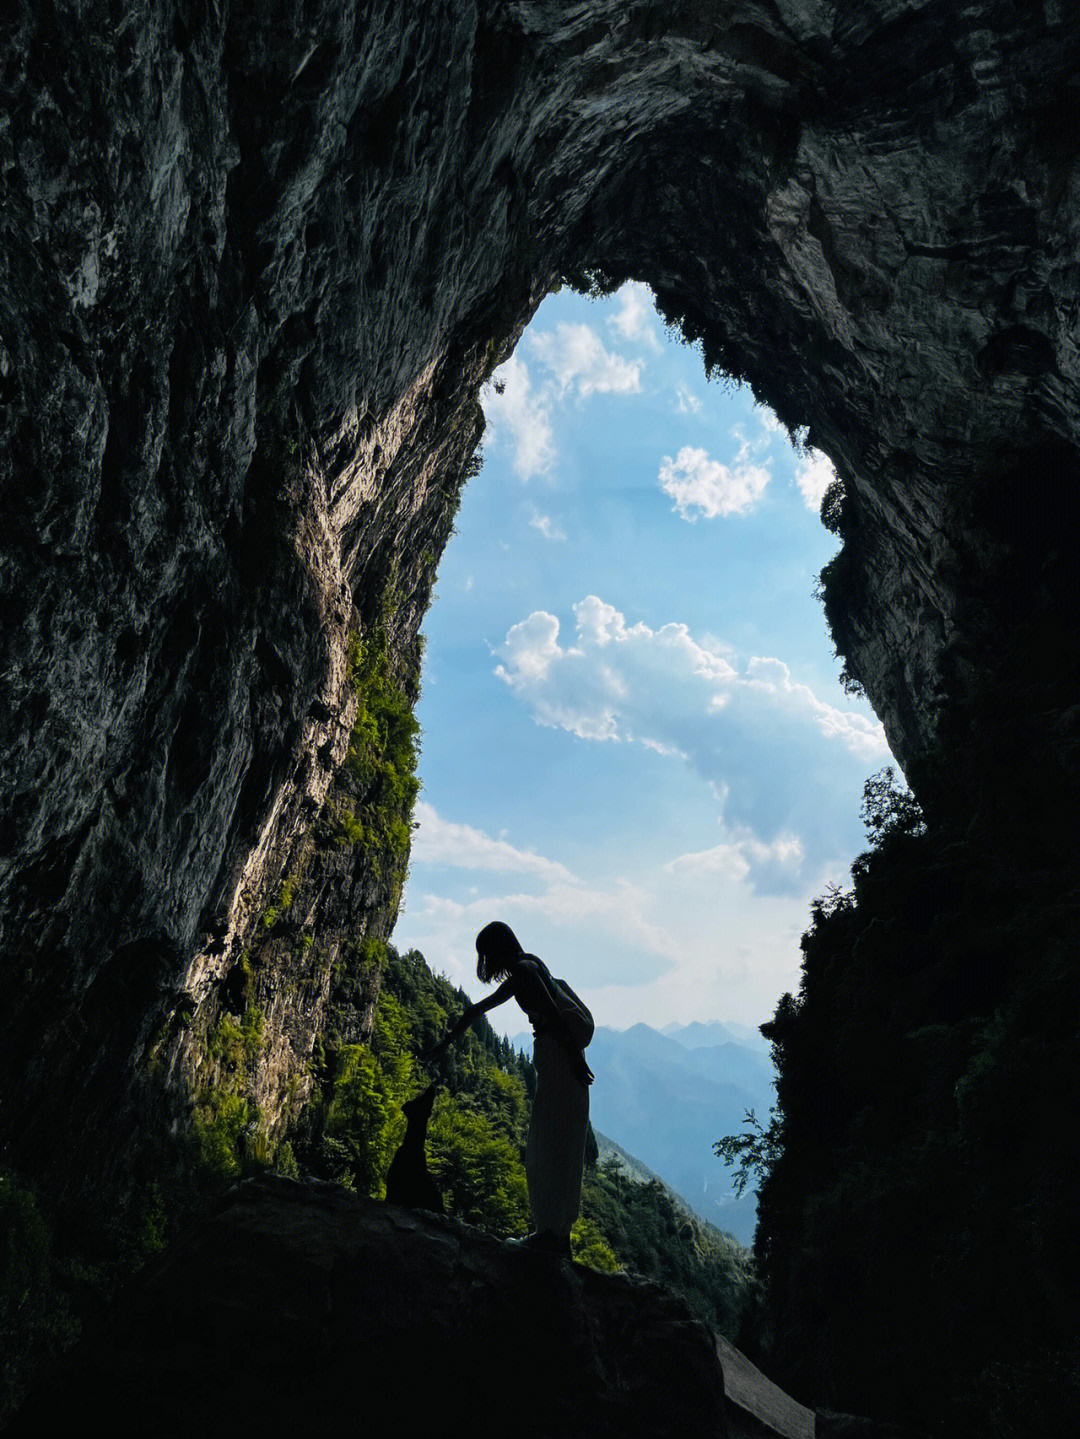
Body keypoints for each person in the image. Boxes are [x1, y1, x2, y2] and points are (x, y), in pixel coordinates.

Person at [423, 921, 593, 1258]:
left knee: (546, 1149)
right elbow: (479, 1009)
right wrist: (443, 1043)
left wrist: (575, 1060)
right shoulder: (530, 965)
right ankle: (556, 1234)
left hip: (561, 1060)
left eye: (485, 954)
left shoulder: (525, 973)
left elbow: (554, 1019)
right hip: (562, 1060)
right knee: (560, 1146)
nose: (484, 963)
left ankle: (549, 1235)